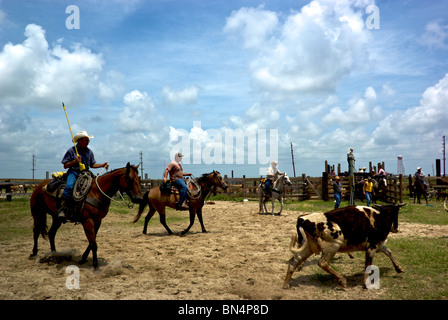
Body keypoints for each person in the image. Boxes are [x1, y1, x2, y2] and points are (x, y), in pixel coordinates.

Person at [59, 131, 109, 222]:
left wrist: (102, 165)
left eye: (88, 141)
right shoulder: (71, 151)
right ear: (79, 141)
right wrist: (74, 161)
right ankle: (63, 209)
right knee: (69, 186)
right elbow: (65, 165)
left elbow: (92, 164)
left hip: (86, 173)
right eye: (86, 140)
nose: (88, 142)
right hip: (73, 172)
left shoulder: (89, 152)